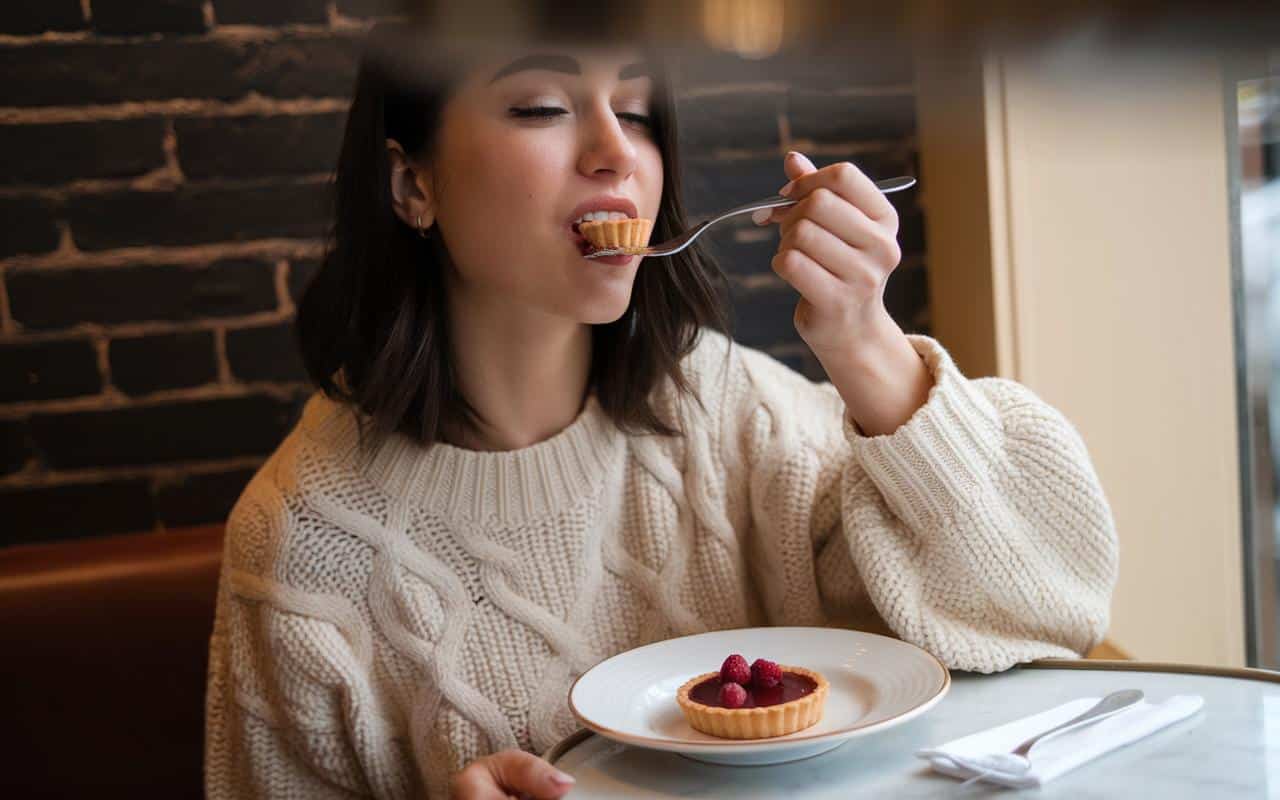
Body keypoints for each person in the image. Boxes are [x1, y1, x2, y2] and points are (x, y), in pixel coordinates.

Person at [204, 23, 1118, 800]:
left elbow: (1048, 610)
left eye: (637, 112)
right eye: (542, 106)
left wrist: (866, 344)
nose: (615, 151)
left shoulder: (729, 410)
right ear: (413, 185)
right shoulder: (301, 543)